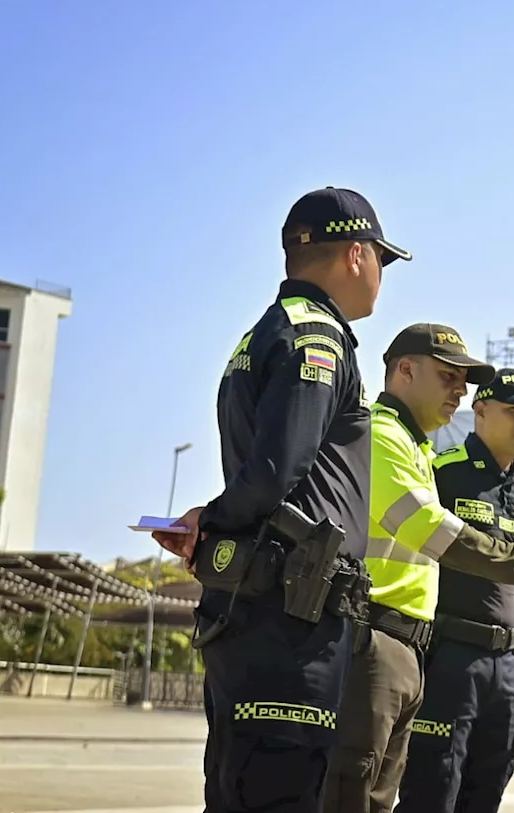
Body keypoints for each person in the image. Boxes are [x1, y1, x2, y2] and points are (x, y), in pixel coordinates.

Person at [151, 186, 411, 813]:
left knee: (243, 786)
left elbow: (263, 470)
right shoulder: (318, 337)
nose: (381, 275)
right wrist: (211, 518)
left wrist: (207, 518)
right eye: (380, 258)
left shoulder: (262, 333)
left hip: (258, 604)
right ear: (356, 253)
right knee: (282, 789)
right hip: (290, 617)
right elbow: (276, 469)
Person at [324, 326, 514, 813]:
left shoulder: (422, 451)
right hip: (391, 638)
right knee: (390, 790)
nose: (458, 392)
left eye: (463, 381)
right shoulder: (386, 437)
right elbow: (431, 529)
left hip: (433, 649)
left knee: (412, 791)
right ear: (405, 370)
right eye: (448, 377)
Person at [393, 368, 514, 813]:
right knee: (434, 785)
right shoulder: (442, 473)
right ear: (479, 412)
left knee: (490, 783)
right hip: (450, 655)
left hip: (506, 666)